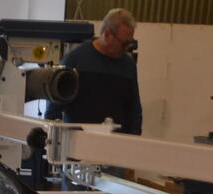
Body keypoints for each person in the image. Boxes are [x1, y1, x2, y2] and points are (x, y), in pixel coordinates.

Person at [45, 8, 142, 137]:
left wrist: (134, 142)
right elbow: (53, 111)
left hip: (117, 144)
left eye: (130, 43)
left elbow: (134, 110)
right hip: (79, 144)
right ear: (107, 35)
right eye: (124, 44)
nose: (127, 49)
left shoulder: (128, 65)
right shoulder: (74, 61)